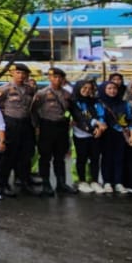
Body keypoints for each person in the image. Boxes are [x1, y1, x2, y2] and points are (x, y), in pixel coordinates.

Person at [0, 63, 37, 197]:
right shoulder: (4, 89)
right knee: (8, 156)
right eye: (18, 72)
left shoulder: (30, 89)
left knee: (26, 155)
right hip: (10, 123)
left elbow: (33, 108)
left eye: (24, 73)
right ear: (12, 73)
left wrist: (36, 126)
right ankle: (2, 184)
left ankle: (24, 182)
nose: (21, 75)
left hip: (26, 124)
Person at [32, 68, 75, 196]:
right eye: (54, 77)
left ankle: (61, 183)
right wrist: (36, 127)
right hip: (46, 126)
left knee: (60, 157)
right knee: (45, 157)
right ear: (49, 78)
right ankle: (46, 184)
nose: (57, 80)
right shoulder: (42, 93)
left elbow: (73, 109)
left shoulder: (67, 94)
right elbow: (33, 111)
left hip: (62, 127)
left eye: (60, 77)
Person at [98, 80, 132, 195]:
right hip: (106, 134)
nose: (112, 91)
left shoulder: (124, 104)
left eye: (114, 88)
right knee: (107, 158)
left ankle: (119, 182)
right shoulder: (100, 103)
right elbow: (100, 117)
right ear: (104, 90)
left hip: (121, 133)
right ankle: (107, 182)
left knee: (120, 158)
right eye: (109, 88)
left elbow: (130, 119)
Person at [70, 80, 106, 194]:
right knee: (82, 158)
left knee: (95, 158)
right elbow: (79, 118)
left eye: (89, 88)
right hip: (81, 134)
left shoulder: (94, 101)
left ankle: (94, 181)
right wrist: (94, 127)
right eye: (84, 88)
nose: (87, 90)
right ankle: (82, 181)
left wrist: (100, 128)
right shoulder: (73, 101)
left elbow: (101, 115)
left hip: (96, 133)